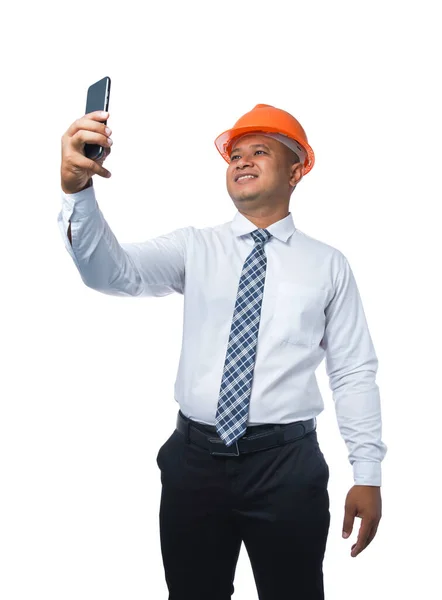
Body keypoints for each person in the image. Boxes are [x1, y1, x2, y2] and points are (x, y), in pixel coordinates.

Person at [58, 103, 388, 600]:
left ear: (297, 171)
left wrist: (368, 474)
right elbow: (109, 273)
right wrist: (78, 192)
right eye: (234, 154)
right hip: (194, 464)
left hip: (287, 467)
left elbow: (353, 372)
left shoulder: (329, 266)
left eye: (260, 151)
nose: (242, 160)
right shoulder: (195, 248)